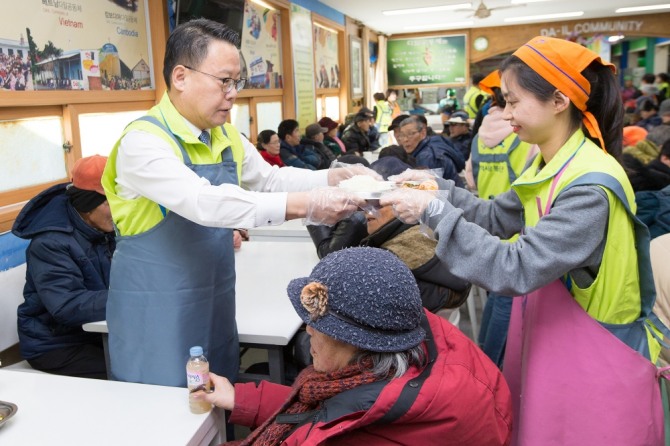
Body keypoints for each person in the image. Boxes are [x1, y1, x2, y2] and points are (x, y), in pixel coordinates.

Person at [381, 36, 668, 444]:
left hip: (597, 357)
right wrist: (434, 188)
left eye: (513, 102)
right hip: (556, 343)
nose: (505, 113)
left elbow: (515, 267)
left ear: (558, 100)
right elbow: (497, 215)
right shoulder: (552, 161)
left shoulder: (590, 186)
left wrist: (433, 212)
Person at [101, 18, 374, 387]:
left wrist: (332, 178)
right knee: (167, 411)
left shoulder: (224, 133)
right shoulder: (143, 142)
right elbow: (204, 203)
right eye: (224, 81)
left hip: (215, 299)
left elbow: (269, 179)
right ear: (180, 77)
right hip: (157, 312)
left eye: (237, 82)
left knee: (220, 394)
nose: (233, 93)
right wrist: (308, 204)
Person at [193, 247, 512, 445]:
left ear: (359, 342)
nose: (307, 331)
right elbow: (326, 416)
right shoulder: (406, 363)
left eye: (319, 326)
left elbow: (325, 425)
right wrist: (240, 397)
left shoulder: (374, 428)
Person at [308, 156, 470, 324]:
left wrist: (311, 212)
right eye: (366, 201)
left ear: (404, 201)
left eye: (377, 201)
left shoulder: (387, 262)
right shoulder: (428, 234)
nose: (366, 211)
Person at [14, 155, 115, 379]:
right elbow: (67, 305)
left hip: (96, 335)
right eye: (109, 202)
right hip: (56, 345)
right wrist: (132, 297)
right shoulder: (51, 243)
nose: (118, 210)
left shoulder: (105, 229)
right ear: (87, 205)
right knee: (130, 370)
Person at [465, 70, 537, 367]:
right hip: (517, 224)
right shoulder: (527, 134)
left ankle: (485, 355)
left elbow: (470, 177)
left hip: (486, 221)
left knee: (497, 294)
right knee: (508, 298)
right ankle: (491, 365)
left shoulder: (481, 132)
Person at [396, 115, 465, 186]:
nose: (405, 140)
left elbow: (428, 189)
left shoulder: (427, 156)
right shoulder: (433, 141)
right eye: (402, 135)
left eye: (410, 134)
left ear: (423, 133)